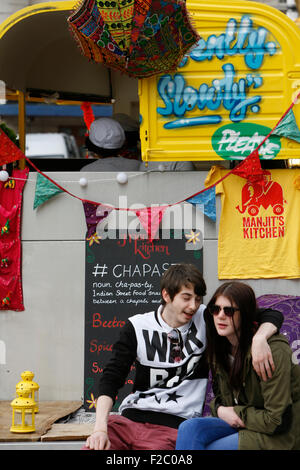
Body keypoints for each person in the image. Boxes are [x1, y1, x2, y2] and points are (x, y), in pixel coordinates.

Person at [84, 264, 283, 451]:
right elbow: (111, 378)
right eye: (186, 298)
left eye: (198, 298)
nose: (193, 306)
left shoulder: (210, 317)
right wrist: (100, 429)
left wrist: (260, 338)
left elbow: (270, 314)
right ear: (167, 295)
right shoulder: (137, 326)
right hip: (127, 421)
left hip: (173, 426)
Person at [176, 281, 300, 450]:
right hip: (246, 421)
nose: (220, 316)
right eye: (215, 309)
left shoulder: (272, 351)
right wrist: (219, 410)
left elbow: (276, 421)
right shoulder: (221, 346)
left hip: (279, 434)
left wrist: (236, 412)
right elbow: (219, 398)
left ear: (246, 314)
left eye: (229, 311)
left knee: (212, 448)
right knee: (189, 428)